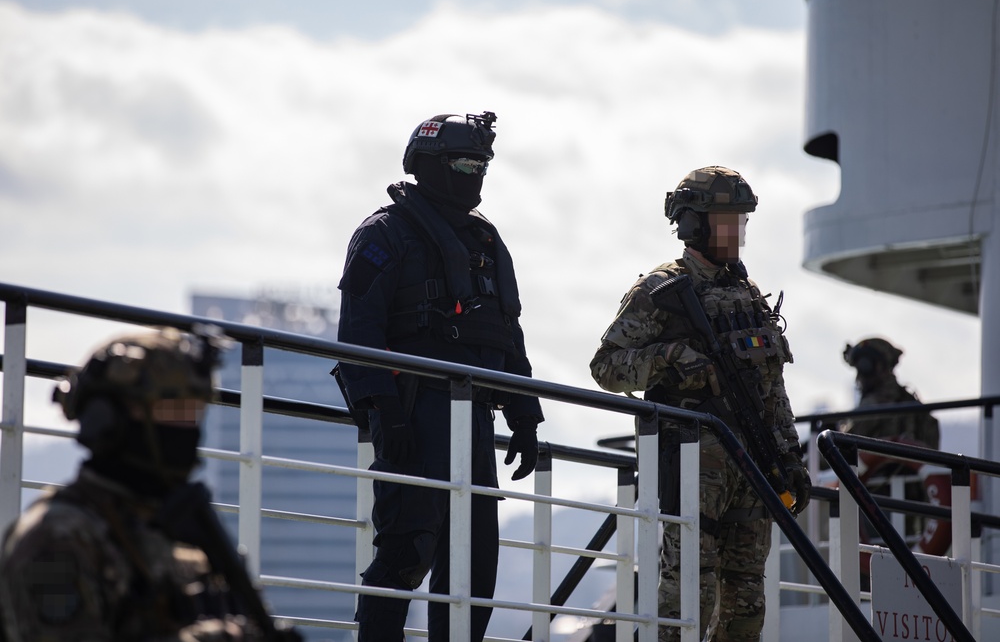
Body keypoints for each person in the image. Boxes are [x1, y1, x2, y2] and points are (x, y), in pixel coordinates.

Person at [336, 111, 545, 641]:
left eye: (480, 163)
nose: (473, 172)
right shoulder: (385, 233)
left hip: (474, 416)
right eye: (462, 161)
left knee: (475, 570)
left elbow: (506, 333)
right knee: (406, 551)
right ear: (427, 164)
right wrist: (385, 412)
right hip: (413, 411)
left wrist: (525, 418)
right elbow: (358, 330)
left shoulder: (484, 241)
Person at [590, 166, 810, 641]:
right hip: (695, 463)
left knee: (747, 602)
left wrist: (790, 455)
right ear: (694, 224)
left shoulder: (746, 293)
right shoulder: (661, 291)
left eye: (741, 222)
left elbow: (772, 386)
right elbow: (606, 366)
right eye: (727, 220)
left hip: (753, 464)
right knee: (688, 592)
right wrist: (670, 356)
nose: (738, 233)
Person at [0, 327, 299, 642]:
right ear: (109, 419)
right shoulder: (57, 537)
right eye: (171, 410)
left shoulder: (178, 533)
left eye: (193, 413)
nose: (188, 429)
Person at [840, 337, 940, 450]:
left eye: (865, 366)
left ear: (881, 367)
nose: (860, 377)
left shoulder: (873, 405)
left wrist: (828, 434)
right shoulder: (912, 404)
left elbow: (840, 447)